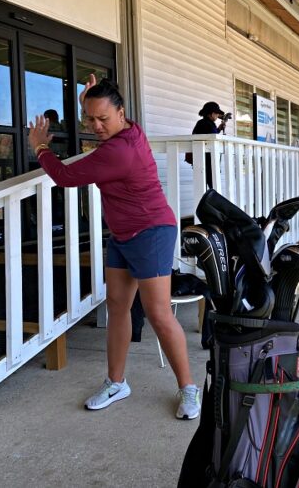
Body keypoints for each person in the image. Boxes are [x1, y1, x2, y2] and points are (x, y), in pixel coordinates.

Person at [28, 75, 201, 420]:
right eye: (89, 119)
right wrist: (88, 100)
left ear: (121, 113)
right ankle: (116, 382)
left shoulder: (120, 150)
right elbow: (99, 112)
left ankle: (189, 389)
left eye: (102, 119)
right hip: (122, 234)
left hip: (151, 231)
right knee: (118, 308)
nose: (96, 126)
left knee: (158, 314)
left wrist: (39, 147)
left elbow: (64, 176)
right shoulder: (128, 129)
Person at [191, 101, 227, 188]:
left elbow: (211, 134)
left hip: (201, 159)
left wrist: (218, 129)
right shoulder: (207, 124)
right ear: (211, 114)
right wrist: (218, 129)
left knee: (204, 185)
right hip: (207, 160)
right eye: (216, 113)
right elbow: (213, 136)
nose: (217, 115)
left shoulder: (202, 123)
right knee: (213, 185)